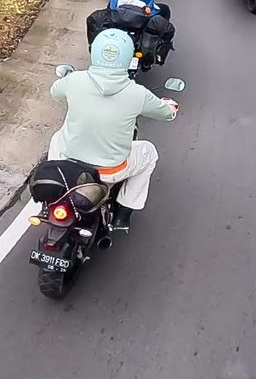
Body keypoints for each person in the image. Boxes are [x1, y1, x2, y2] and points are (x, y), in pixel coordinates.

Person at [47, 29, 180, 229]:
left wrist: (70, 81)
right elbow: (166, 114)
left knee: (58, 137)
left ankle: (53, 188)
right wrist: (170, 106)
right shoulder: (138, 93)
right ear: (127, 57)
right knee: (149, 153)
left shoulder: (74, 80)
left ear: (94, 52)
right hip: (110, 172)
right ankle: (123, 214)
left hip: (70, 165)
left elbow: (54, 93)